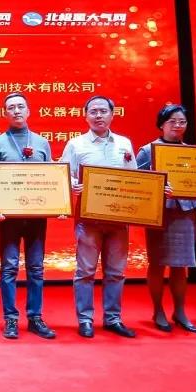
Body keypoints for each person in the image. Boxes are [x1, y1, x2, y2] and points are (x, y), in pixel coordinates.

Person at [60, 95, 138, 339]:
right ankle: (85, 319)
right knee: (85, 271)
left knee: (116, 272)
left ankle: (113, 318)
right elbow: (63, 175)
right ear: (85, 116)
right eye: (93, 111)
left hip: (118, 219)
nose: (98, 115)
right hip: (88, 219)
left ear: (112, 114)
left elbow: (135, 178)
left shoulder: (124, 143)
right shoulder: (76, 145)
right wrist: (74, 184)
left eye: (103, 111)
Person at [0, 93, 57, 340]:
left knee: (36, 268)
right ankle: (11, 318)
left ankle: (35, 317)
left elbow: (52, 178)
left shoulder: (42, 143)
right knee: (9, 267)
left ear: (28, 111)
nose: (16, 111)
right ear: (4, 113)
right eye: (11, 108)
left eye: (20, 107)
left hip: (37, 216)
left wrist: (57, 204)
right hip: (9, 219)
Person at [136, 105, 196, 334]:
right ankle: (158, 310)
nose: (177, 126)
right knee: (157, 263)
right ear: (161, 124)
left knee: (181, 265)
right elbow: (137, 182)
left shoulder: (193, 152)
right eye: (172, 121)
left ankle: (180, 311)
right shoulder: (147, 151)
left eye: (182, 122)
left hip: (186, 212)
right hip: (159, 213)